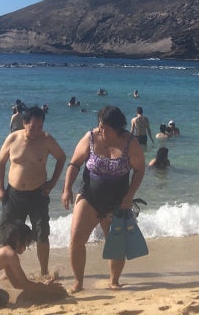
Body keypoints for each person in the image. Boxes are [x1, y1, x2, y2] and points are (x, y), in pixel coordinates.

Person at [61, 105, 146, 293]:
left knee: (116, 244)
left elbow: (140, 170)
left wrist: (129, 196)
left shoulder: (130, 143)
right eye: (100, 126)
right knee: (76, 239)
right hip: (89, 196)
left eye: (105, 128)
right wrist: (67, 189)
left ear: (117, 128)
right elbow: (74, 164)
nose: (101, 130)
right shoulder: (90, 137)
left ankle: (114, 281)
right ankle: (78, 282)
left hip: (118, 201)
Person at [0, 105, 66, 279]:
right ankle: (8, 271)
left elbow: (62, 158)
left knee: (42, 231)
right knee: (7, 233)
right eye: (33, 126)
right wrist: (0, 188)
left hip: (38, 194)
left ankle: (44, 272)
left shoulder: (46, 140)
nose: (37, 130)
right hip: (14, 195)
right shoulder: (12, 139)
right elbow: (1, 163)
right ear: (25, 123)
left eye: (40, 126)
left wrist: (52, 183)